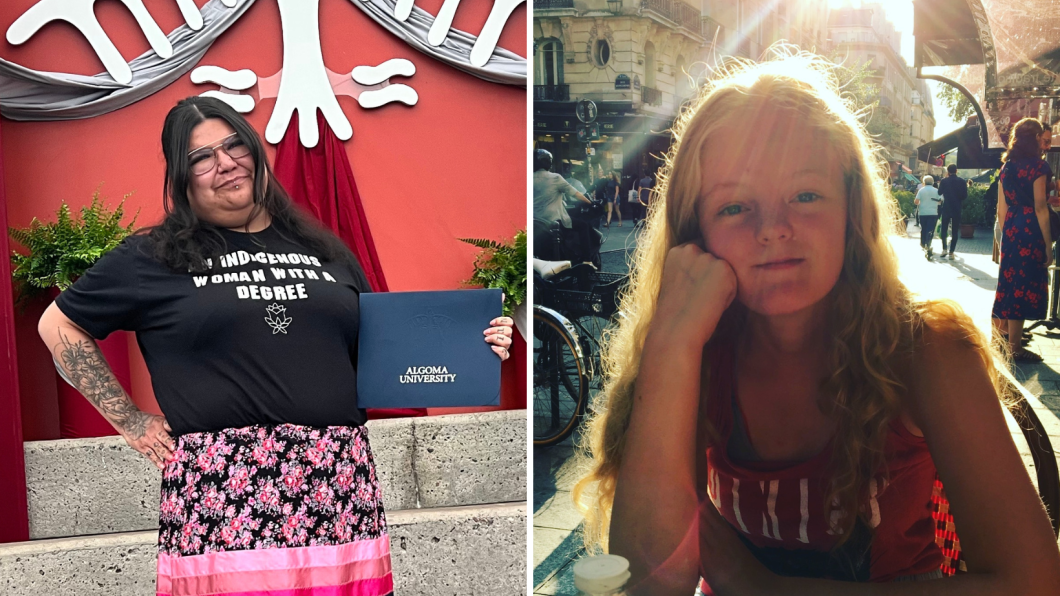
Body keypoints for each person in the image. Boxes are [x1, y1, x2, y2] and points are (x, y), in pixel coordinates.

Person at [571, 53, 1060, 595]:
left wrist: (758, 584)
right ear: (695, 232)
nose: (774, 229)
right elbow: (649, 581)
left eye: (806, 195)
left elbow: (1033, 581)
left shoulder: (927, 350)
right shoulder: (701, 353)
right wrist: (671, 340)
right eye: (734, 207)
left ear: (851, 211)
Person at [36, 96, 515, 596]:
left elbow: (382, 347)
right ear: (181, 177)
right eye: (202, 157)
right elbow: (59, 325)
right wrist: (132, 422)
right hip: (225, 489)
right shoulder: (151, 257)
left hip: (336, 480)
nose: (225, 164)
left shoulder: (323, 251)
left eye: (234, 144)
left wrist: (470, 346)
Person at [992, 117, 1053, 362]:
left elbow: (1000, 209)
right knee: (1024, 284)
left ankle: (1001, 337)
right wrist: (1048, 245)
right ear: (1036, 138)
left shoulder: (1006, 167)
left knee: (1008, 282)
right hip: (1031, 228)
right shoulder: (1038, 167)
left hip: (1012, 229)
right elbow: (1040, 207)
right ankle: (1014, 348)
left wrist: (1007, 235)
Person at [534, 148, 591, 229]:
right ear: (549, 163)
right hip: (554, 219)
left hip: (535, 220)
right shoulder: (555, 177)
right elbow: (575, 194)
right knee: (584, 226)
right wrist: (590, 203)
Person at [937, 164, 968, 259]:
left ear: (948, 171)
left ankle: (944, 249)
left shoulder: (944, 181)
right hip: (957, 207)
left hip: (946, 207)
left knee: (944, 229)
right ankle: (951, 252)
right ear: (956, 171)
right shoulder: (962, 181)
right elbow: (964, 196)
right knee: (955, 230)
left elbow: (939, 192)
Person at [914, 175, 943, 259]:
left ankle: (923, 243)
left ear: (924, 182)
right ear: (933, 182)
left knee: (923, 228)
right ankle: (928, 243)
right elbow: (941, 200)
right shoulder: (936, 191)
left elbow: (916, 201)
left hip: (922, 213)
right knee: (930, 229)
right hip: (933, 213)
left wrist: (921, 203)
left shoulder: (921, 190)